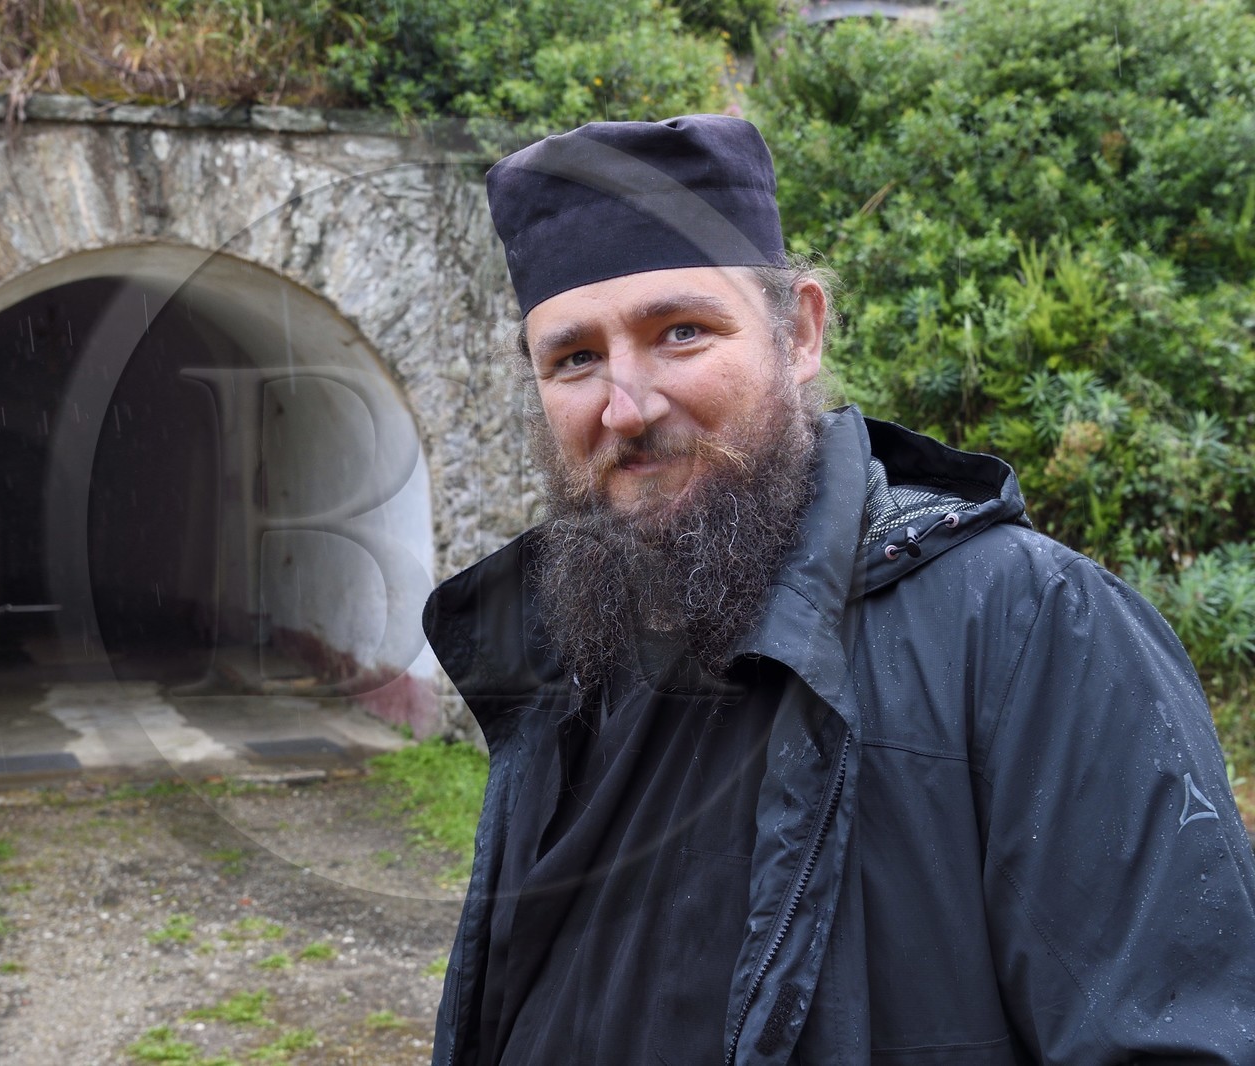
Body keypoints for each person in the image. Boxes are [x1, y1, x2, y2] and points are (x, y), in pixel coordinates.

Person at [421, 115, 1255, 1065]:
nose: (627, 406)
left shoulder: (1029, 629)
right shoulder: (569, 646)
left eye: (681, 332)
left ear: (801, 331)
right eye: (574, 359)